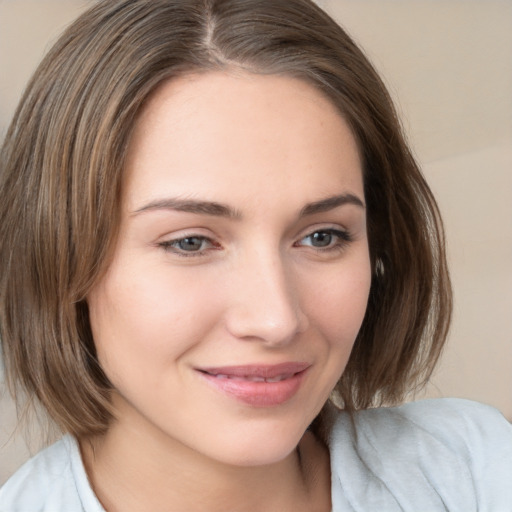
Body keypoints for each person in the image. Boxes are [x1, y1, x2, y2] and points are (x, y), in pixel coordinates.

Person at [0, 0, 511, 510]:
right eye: (190, 242)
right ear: (58, 255)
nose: (276, 320)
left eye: (322, 236)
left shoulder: (475, 471)